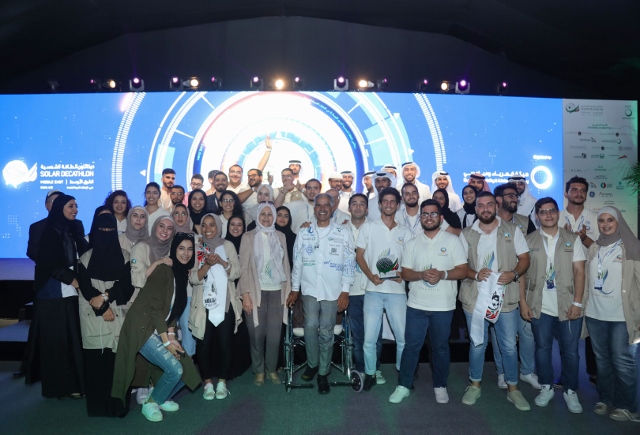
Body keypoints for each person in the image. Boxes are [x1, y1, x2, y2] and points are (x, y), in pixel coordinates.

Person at [112, 233, 201, 423]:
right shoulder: (164, 270)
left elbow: (173, 310)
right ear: (174, 249)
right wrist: (167, 341)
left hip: (158, 327)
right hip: (142, 327)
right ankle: (150, 403)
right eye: (181, 248)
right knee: (176, 370)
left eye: (189, 249)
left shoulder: (181, 274)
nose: (186, 253)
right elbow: (154, 309)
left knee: (188, 369)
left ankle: (159, 397)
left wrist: (172, 335)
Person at [389, 199, 467, 404]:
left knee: (440, 348)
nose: (429, 217)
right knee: (411, 347)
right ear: (420, 217)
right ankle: (403, 385)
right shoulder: (412, 243)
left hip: (443, 306)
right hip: (416, 305)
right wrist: (421, 275)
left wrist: (443, 274)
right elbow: (405, 273)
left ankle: (440, 385)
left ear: (441, 218)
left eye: (433, 214)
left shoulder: (452, 241)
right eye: (425, 214)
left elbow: (463, 270)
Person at [459, 191, 531, 411]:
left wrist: (514, 274)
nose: (485, 209)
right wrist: (474, 274)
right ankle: (474, 385)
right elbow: (459, 266)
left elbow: (525, 259)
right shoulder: (466, 234)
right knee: (477, 344)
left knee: (509, 346)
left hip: (505, 299)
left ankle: (513, 389)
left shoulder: (512, 230)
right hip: (475, 299)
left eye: (489, 204)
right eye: (481, 205)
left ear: (496, 205)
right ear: (476, 209)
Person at [519, 197, 586, 413]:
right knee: (542, 348)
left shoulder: (572, 239)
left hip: (567, 304)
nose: (548, 215)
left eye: (552, 210)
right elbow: (521, 274)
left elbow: (579, 271)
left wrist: (577, 302)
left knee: (571, 352)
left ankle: (570, 390)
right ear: (537, 216)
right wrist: (523, 302)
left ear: (558, 213)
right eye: (543, 211)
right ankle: (546, 386)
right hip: (539, 305)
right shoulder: (528, 240)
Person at [290, 193, 356, 394]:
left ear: (332, 207)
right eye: (319, 205)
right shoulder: (304, 232)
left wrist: (345, 291)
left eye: (326, 205)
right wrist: (294, 289)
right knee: (310, 325)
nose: (322, 209)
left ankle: (323, 373)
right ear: (314, 208)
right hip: (309, 288)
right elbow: (297, 261)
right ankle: (312, 363)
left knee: (327, 330)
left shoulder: (343, 232)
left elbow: (349, 262)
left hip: (333, 290)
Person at [25, 194, 86, 398]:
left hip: (69, 290)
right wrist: (74, 281)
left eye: (76, 205)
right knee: (57, 341)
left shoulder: (73, 228)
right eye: (71, 206)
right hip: (53, 292)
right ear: (60, 208)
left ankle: (75, 385)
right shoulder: (50, 231)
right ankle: (60, 387)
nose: (75, 209)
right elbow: (49, 263)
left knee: (72, 338)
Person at [585, 206, 640, 422]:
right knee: (602, 360)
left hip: (621, 316)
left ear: (619, 222)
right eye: (601, 220)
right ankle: (606, 399)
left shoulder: (632, 247)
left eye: (610, 220)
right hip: (595, 313)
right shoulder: (594, 247)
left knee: (623, 360)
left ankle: (627, 406)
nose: (605, 224)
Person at [77, 212, 134, 417]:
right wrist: (103, 309)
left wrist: (106, 297)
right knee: (97, 365)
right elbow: (85, 289)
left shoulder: (125, 256)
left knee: (119, 365)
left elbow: (127, 287)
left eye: (111, 230)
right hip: (94, 319)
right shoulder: (85, 259)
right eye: (102, 230)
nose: (106, 233)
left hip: (119, 317)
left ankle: (119, 407)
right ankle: (98, 408)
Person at [356, 187, 412, 390]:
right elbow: (359, 256)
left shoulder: (405, 231)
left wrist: (403, 273)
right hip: (373, 291)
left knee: (402, 339)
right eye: (385, 201)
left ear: (398, 205)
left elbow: (410, 259)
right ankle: (370, 373)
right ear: (379, 205)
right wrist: (370, 276)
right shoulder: (368, 227)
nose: (388, 204)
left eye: (392, 201)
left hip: (397, 292)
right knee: (369, 338)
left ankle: (403, 375)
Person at [188, 213, 242, 400]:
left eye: (212, 225)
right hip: (203, 306)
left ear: (218, 226)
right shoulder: (197, 247)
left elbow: (236, 273)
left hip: (225, 304)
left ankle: (222, 382)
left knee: (225, 344)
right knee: (203, 345)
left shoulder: (228, 246)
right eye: (204, 225)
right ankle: (208, 383)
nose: (208, 229)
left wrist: (221, 261)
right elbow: (193, 278)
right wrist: (207, 265)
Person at [238, 203, 292, 386]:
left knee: (275, 336)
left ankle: (271, 369)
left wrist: (288, 291)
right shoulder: (248, 237)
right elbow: (243, 268)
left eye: (270, 214)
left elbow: (286, 265)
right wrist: (245, 294)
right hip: (255, 292)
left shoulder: (281, 236)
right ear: (257, 216)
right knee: (256, 334)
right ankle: (259, 370)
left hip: (277, 291)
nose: (267, 217)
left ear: (274, 217)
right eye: (263, 214)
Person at [493, 182, 539, 390]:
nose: (515, 198)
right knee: (501, 334)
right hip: (497, 286)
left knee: (527, 332)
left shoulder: (525, 222)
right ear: (498, 199)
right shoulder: (487, 222)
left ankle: (527, 371)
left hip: (523, 284)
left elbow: (530, 255)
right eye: (510, 195)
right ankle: (502, 372)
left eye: (516, 195)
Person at [346, 194, 385, 384]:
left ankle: (375, 368)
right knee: (358, 335)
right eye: (354, 204)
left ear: (367, 209)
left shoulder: (376, 228)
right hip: (352, 289)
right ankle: (361, 368)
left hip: (372, 288)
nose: (358, 207)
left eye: (362, 204)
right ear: (349, 208)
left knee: (375, 334)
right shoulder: (341, 229)